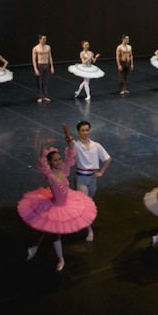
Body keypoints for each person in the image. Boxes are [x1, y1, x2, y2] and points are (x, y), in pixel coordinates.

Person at [18, 125, 97, 272]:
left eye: (59, 159)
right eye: (55, 160)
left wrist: (67, 134)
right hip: (56, 208)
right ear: (50, 163)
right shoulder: (49, 176)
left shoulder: (64, 170)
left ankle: (36, 248)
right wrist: (42, 144)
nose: (59, 162)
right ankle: (59, 258)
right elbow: (41, 160)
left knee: (45, 230)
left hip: (68, 203)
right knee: (52, 233)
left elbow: (71, 151)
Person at [65, 120, 112, 242]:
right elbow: (70, 143)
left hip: (92, 178)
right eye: (83, 130)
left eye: (87, 130)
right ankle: (89, 230)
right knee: (85, 205)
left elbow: (108, 159)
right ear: (78, 132)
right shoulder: (76, 145)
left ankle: (80, 220)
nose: (85, 132)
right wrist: (66, 133)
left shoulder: (96, 146)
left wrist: (101, 172)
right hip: (81, 178)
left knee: (89, 204)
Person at [32, 34, 54, 103]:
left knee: (45, 81)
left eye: (45, 39)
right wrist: (35, 69)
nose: (45, 40)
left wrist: (52, 66)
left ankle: (45, 95)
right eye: (43, 39)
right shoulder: (35, 48)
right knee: (39, 81)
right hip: (40, 65)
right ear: (39, 40)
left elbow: (50, 57)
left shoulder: (48, 47)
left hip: (46, 65)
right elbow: (34, 59)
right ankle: (40, 96)